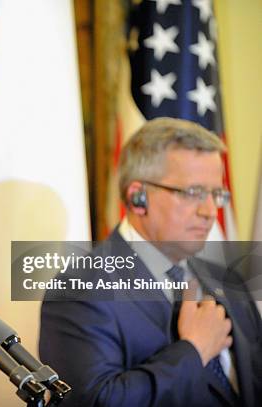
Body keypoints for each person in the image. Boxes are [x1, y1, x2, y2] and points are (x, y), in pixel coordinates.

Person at [39, 118, 262, 407]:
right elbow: (94, 401)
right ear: (137, 198)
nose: (209, 211)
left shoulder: (226, 279)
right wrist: (193, 351)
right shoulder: (79, 288)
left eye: (216, 194)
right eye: (193, 193)